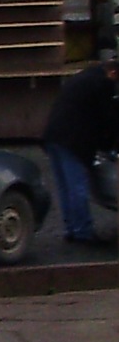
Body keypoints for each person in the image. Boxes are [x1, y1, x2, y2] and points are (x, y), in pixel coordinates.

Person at [43, 54, 119, 245]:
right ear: (113, 72)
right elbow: (109, 119)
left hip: (53, 135)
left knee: (65, 187)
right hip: (74, 140)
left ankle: (72, 228)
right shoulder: (103, 83)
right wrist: (110, 146)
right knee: (77, 186)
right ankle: (83, 232)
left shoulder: (85, 75)